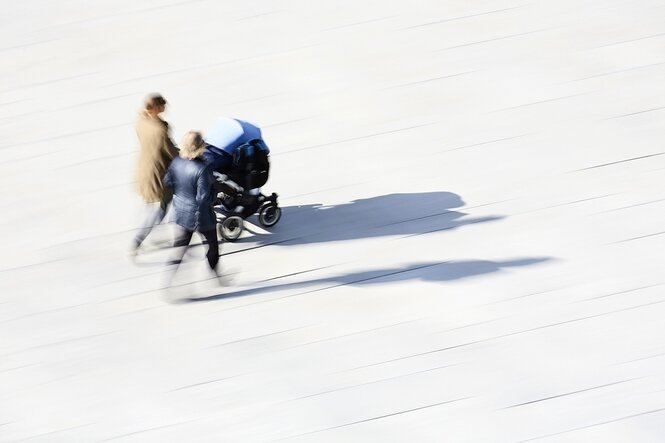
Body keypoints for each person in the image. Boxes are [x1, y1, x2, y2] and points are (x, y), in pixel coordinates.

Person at [163, 131, 221, 285]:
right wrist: (215, 194)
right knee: (213, 246)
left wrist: (182, 194)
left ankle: (167, 282)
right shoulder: (203, 168)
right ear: (200, 147)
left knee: (180, 249)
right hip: (200, 217)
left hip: (180, 214)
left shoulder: (176, 162)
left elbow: (167, 181)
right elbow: (203, 198)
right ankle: (216, 276)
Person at [130, 93, 178, 256]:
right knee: (162, 207)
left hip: (143, 167)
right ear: (156, 108)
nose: (166, 106)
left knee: (148, 204)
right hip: (157, 172)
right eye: (163, 104)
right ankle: (137, 240)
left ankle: (145, 234)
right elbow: (171, 152)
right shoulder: (160, 129)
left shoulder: (141, 121)